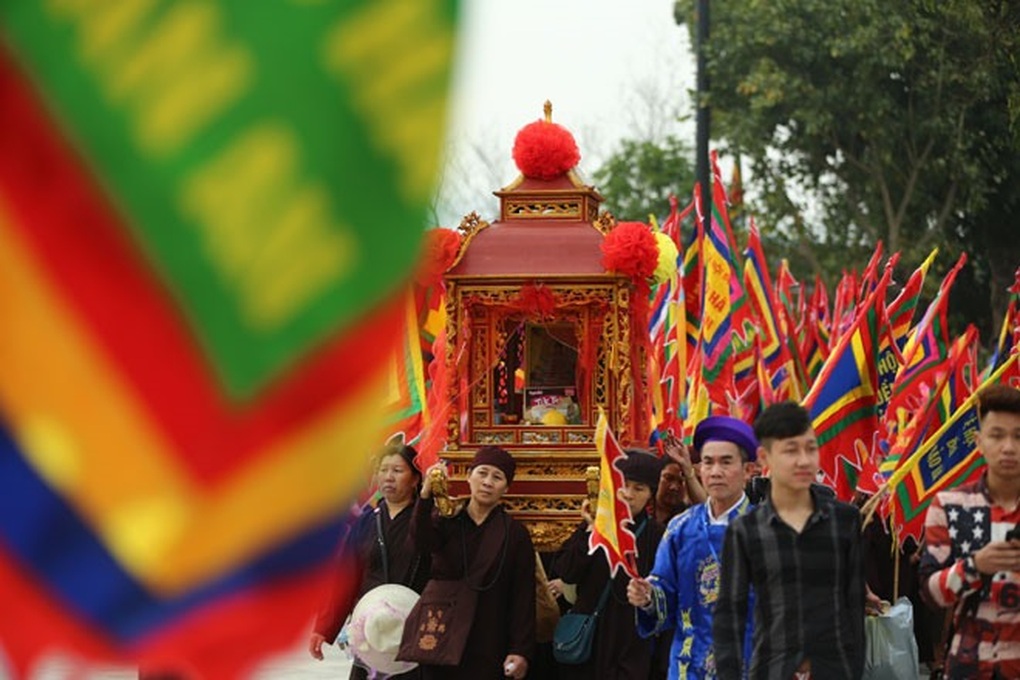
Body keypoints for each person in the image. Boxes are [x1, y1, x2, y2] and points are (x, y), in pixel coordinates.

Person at [714, 401, 865, 680]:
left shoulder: (845, 522)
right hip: (773, 668)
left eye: (810, 448)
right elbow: (729, 619)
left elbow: (854, 608)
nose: (804, 460)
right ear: (764, 458)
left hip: (834, 670)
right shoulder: (746, 531)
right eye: (791, 451)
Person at [628, 416, 759, 680]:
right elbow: (665, 586)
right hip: (688, 664)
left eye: (726, 462)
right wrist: (649, 596)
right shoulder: (680, 528)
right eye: (708, 462)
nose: (715, 471)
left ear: (748, 470)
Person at [918, 383, 1020, 679]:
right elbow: (930, 594)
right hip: (970, 666)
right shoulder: (949, 506)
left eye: (1018, 436)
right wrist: (975, 567)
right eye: (997, 435)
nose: (1009, 447)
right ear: (978, 442)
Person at [410, 447, 535, 679]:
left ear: (506, 488)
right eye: (482, 473)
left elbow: (523, 595)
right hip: (442, 631)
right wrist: (426, 496)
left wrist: (520, 650)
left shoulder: (515, 534)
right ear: (469, 476)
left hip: (488, 636)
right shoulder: (447, 519)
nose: (487, 482)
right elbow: (420, 542)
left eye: (497, 477)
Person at [309, 443, 430, 679]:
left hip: (413, 632)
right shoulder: (365, 523)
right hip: (372, 632)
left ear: (415, 479)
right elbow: (346, 578)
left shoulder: (428, 523)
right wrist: (324, 628)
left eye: (397, 470)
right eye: (383, 470)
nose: (388, 477)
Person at [554, 448, 666, 680]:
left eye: (639, 488)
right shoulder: (594, 527)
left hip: (632, 644)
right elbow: (567, 572)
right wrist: (591, 530)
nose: (629, 494)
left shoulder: (658, 535)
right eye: (624, 485)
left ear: (650, 495)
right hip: (590, 640)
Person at [654, 435, 708, 525]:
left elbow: (705, 510)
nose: (674, 487)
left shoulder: (688, 517)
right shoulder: (640, 506)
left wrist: (688, 471)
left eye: (681, 482)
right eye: (668, 478)